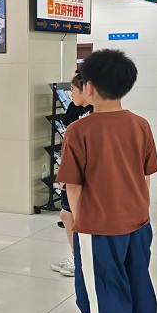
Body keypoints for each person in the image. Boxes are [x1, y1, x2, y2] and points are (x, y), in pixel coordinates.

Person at [57, 49, 157, 313]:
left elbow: (73, 185)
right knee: (137, 280)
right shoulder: (140, 124)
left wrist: (79, 222)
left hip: (98, 227)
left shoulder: (79, 130)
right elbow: (146, 176)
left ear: (88, 87)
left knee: (102, 292)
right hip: (138, 221)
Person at [51, 72, 93, 278]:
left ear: (86, 90)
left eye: (73, 89)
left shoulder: (95, 115)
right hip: (71, 171)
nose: (71, 93)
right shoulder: (74, 109)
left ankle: (81, 259)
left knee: (75, 216)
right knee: (67, 215)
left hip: (81, 175)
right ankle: (76, 255)